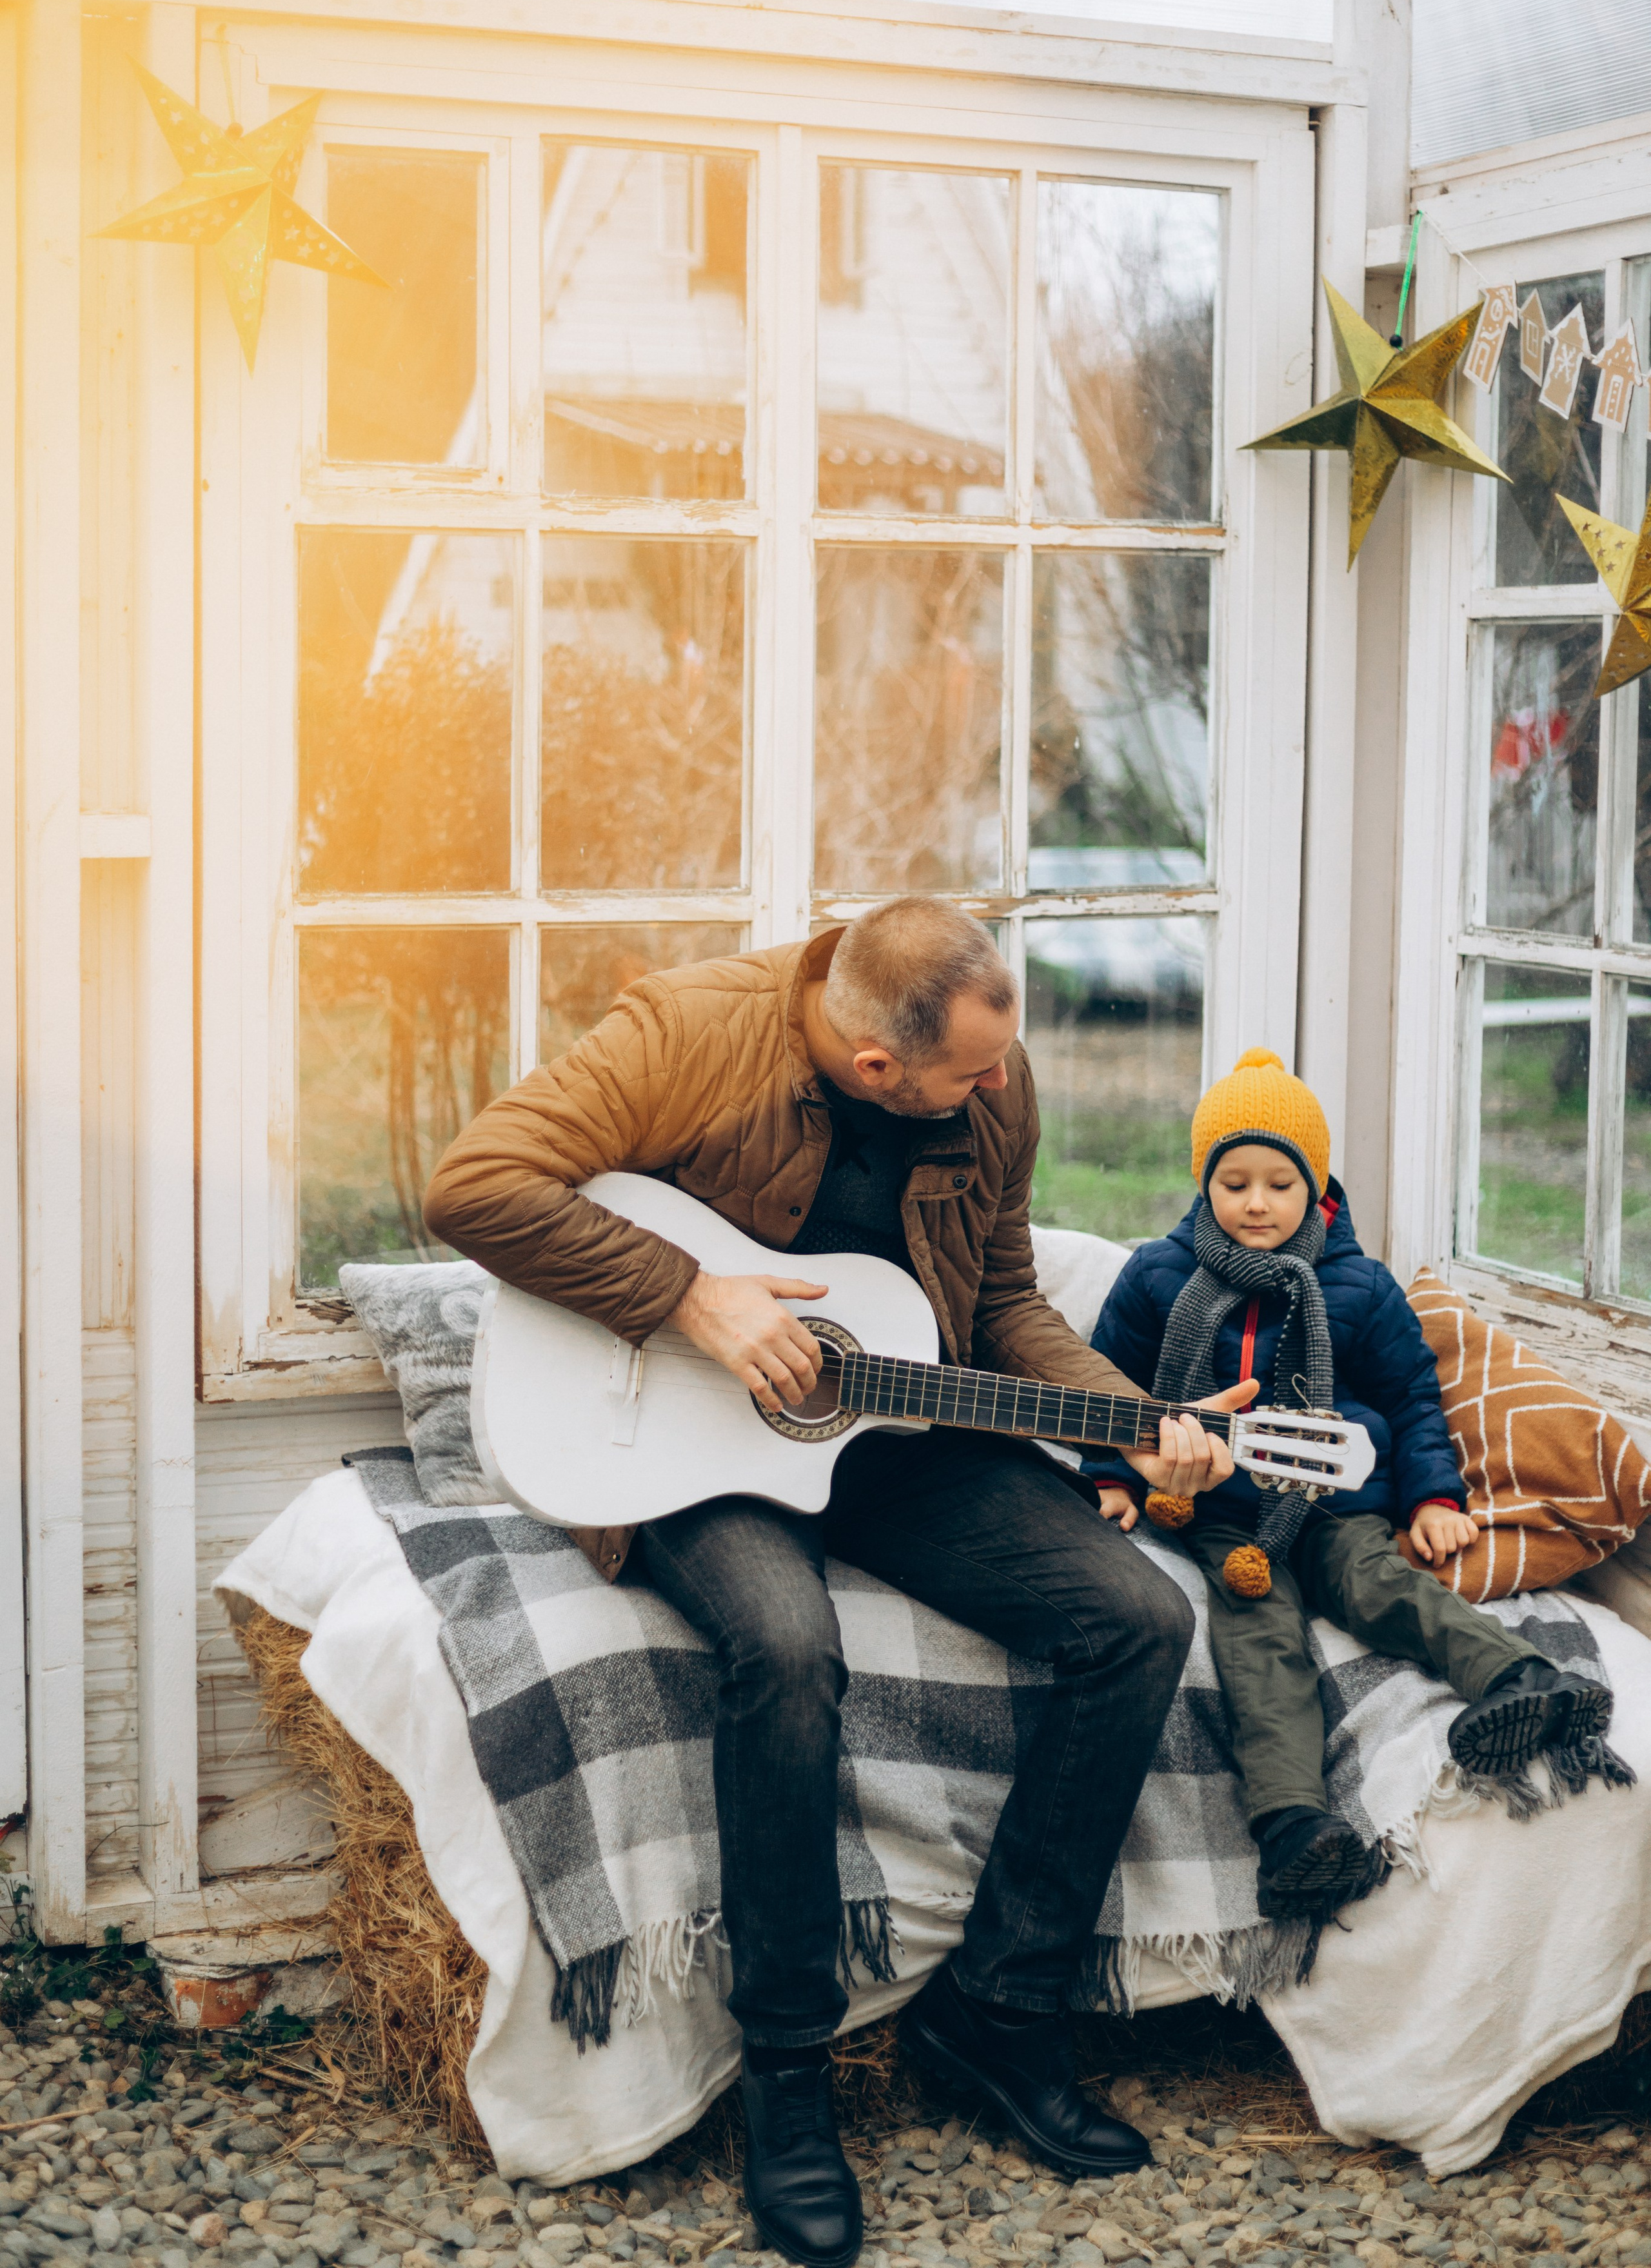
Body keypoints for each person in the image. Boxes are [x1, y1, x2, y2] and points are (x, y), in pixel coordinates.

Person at [424, 900, 1255, 2267]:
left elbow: (997, 1305)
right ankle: (787, 2079)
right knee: (790, 1650)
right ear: (876, 1066)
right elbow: (476, 1186)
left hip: (883, 1427)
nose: (1000, 1086)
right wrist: (692, 1297)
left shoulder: (993, 1068)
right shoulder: (690, 1032)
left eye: (1002, 1059)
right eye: (969, 1075)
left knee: (1139, 1615)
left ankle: (997, 2008)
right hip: (680, 1442)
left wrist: (1134, 1422)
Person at [1083, 1046, 1613, 1924]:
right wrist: (1114, 1476)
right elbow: (1108, 1383)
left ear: (1317, 1186)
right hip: (1221, 1513)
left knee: (1383, 1585)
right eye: (1235, 1182)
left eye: (1280, 1184)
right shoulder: (1157, 1276)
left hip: (1338, 1506)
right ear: (1203, 1183)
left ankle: (1525, 1680)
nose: (1257, 1203)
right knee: (1257, 1639)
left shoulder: (1358, 1286)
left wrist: (1433, 1500)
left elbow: (1412, 1397)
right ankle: (1296, 1827)